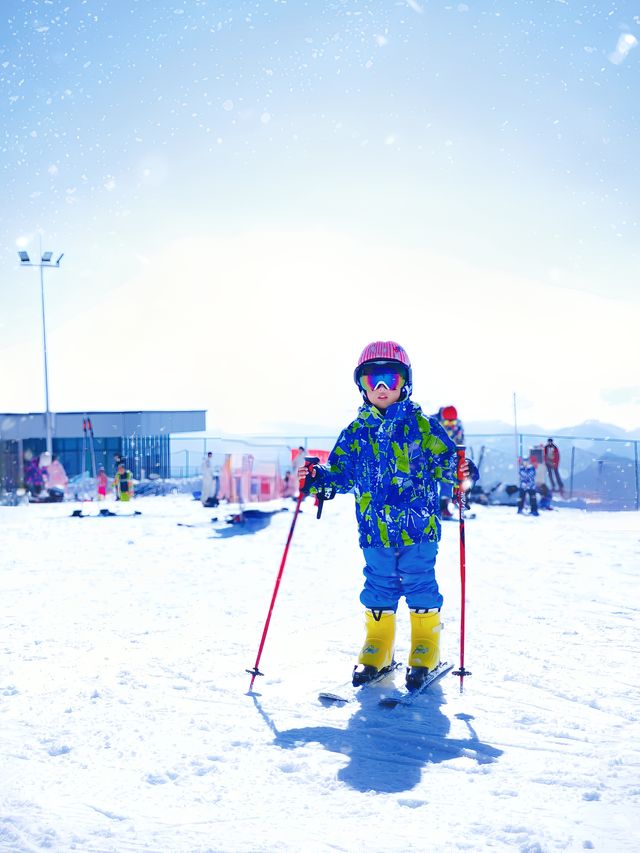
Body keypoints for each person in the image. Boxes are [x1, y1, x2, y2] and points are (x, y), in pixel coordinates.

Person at [298, 340, 477, 690]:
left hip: (419, 528)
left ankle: (426, 646)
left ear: (404, 383)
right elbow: (341, 474)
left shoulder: (423, 427)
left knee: (419, 581)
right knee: (378, 584)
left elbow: (446, 465)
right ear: (362, 386)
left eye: (389, 380)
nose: (381, 388)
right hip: (375, 530)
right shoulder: (356, 432)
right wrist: (320, 479)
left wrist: (461, 474)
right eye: (372, 380)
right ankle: (377, 646)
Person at [434, 405, 465, 517]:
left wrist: (460, 458)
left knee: (447, 479)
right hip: (431, 455)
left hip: (447, 457)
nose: (450, 426)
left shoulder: (458, 426)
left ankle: (444, 506)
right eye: (447, 423)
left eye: (453, 423)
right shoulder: (432, 422)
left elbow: (460, 442)